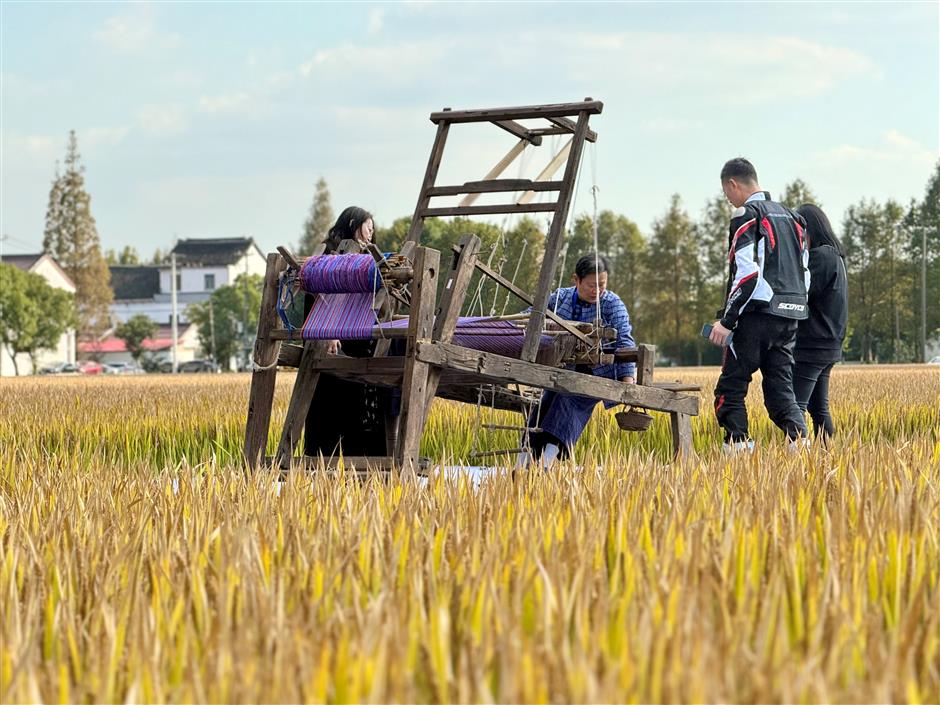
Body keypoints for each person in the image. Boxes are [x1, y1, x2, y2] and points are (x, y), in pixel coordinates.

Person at [709, 158, 810, 452]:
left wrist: (727, 321)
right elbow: (806, 275)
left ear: (733, 184)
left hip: (756, 316)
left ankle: (738, 450)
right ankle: (801, 447)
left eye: (726, 193)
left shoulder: (746, 214)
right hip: (791, 315)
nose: (728, 200)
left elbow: (748, 275)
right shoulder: (795, 218)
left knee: (730, 388)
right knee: (781, 388)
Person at [523, 253, 636, 467]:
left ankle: (546, 465)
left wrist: (627, 382)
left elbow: (625, 340)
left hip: (598, 373)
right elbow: (531, 315)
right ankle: (525, 463)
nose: (597, 291)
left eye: (601, 285)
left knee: (569, 402)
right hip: (563, 370)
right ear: (576, 280)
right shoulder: (560, 298)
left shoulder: (612, 304)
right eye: (591, 285)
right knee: (544, 405)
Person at [304, 206, 391, 458]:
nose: (370, 234)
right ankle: (323, 457)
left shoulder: (367, 262)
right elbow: (318, 296)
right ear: (353, 224)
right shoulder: (327, 256)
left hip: (358, 337)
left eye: (373, 230)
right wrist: (328, 332)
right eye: (368, 228)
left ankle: (361, 457)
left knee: (357, 398)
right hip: (333, 340)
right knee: (330, 400)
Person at [792, 203, 848, 440]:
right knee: (818, 409)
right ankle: (826, 459)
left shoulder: (820, 257)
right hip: (828, 345)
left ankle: (792, 464)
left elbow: (800, 292)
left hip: (813, 346)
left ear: (808, 229)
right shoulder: (835, 256)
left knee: (794, 408)